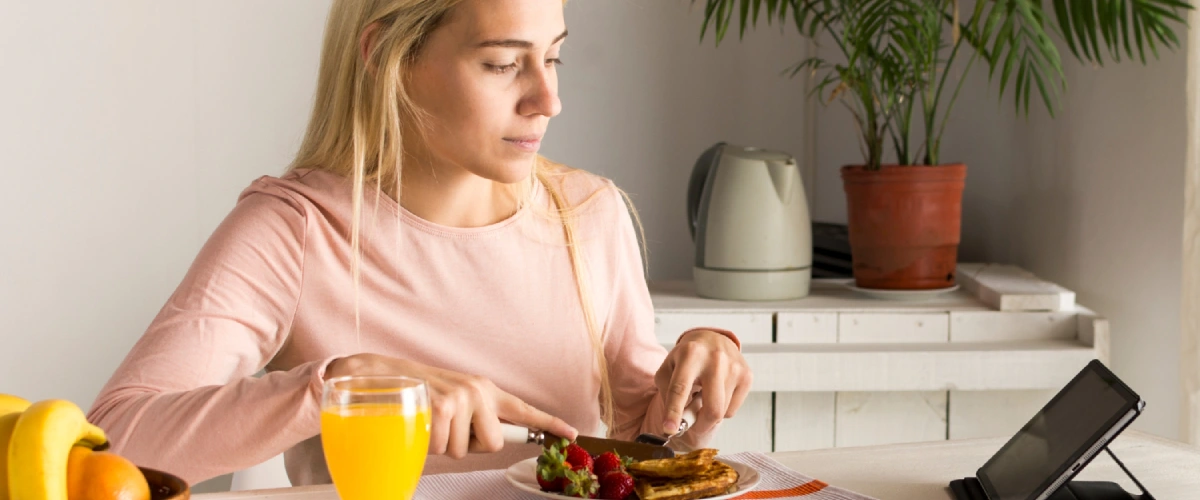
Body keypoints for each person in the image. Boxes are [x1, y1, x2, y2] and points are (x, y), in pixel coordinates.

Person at [86, 0, 752, 486]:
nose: (548, 99)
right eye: (501, 63)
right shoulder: (294, 229)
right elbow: (111, 447)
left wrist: (698, 368)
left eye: (553, 57)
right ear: (389, 58)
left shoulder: (590, 215)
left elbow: (637, 448)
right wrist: (340, 387)